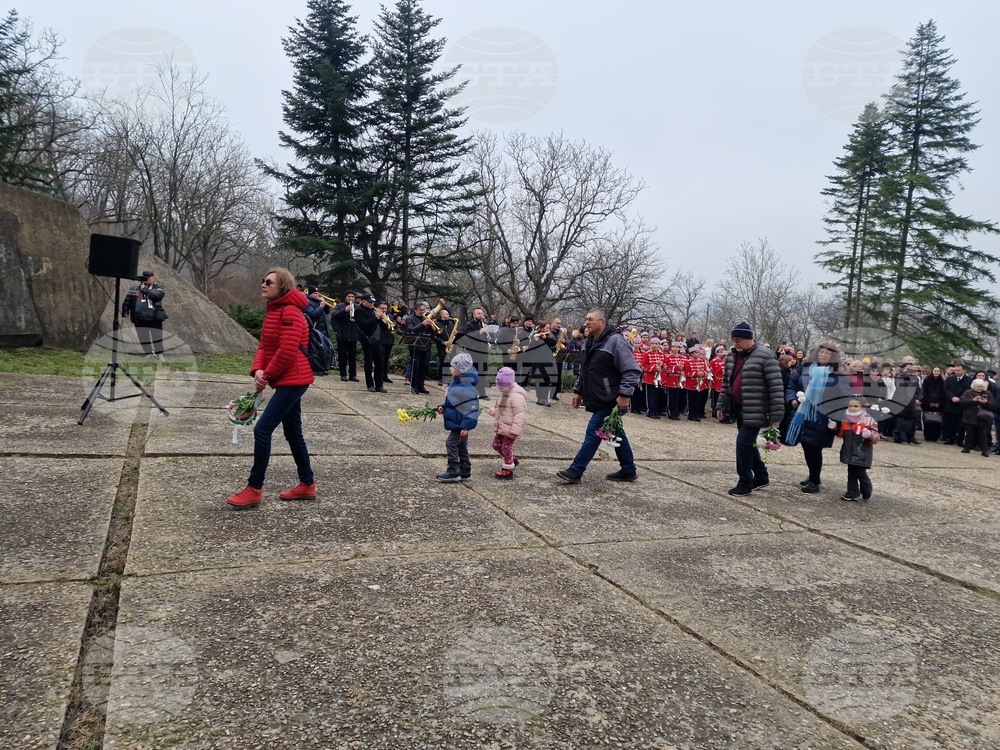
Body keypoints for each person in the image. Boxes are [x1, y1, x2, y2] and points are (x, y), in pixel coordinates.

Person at [226, 269, 315, 508]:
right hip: (285, 379)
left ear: (282, 286)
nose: (263, 285)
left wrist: (267, 375)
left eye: (269, 282)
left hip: (295, 378)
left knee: (262, 430)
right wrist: (257, 369)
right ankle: (307, 484)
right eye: (262, 280)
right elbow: (264, 346)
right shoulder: (274, 310)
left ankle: (254, 488)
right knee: (293, 433)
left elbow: (287, 350)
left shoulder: (291, 312)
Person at [557, 308, 641, 484]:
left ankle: (576, 470)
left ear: (602, 322)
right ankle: (628, 469)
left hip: (611, 398)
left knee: (594, 431)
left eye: (590, 319)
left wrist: (624, 395)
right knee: (615, 432)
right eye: (586, 319)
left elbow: (632, 371)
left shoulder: (616, 341)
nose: (586, 322)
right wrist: (578, 390)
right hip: (599, 396)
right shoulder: (589, 341)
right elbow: (585, 369)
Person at [716, 322, 785, 497]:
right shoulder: (732, 356)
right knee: (748, 444)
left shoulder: (765, 356)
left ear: (750, 339)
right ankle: (761, 476)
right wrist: (721, 405)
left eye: (738, 340)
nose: (735, 343)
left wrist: (777, 417)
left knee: (743, 444)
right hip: (738, 408)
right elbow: (726, 383)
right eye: (733, 340)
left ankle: (745, 482)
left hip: (757, 409)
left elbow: (776, 388)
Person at [785, 340, 850, 494]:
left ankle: (814, 481)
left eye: (827, 353)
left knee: (814, 447)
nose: (823, 354)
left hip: (822, 416)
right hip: (803, 413)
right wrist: (793, 399)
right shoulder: (806, 368)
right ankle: (814, 475)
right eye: (821, 352)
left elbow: (844, 397)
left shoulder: (837, 374)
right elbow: (792, 385)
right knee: (806, 446)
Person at [435, 352, 480, 482]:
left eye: (453, 366)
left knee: (451, 444)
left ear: (461, 370)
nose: (450, 368)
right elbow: (453, 401)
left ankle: (453, 469)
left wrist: (466, 426)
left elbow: (472, 408)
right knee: (461, 446)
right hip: (459, 422)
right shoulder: (457, 383)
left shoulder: (465, 387)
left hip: (460, 423)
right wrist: (443, 406)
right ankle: (465, 470)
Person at [830, 396, 881, 502]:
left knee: (860, 472)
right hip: (849, 451)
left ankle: (866, 490)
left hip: (862, 452)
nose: (852, 408)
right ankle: (852, 492)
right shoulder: (845, 419)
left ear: (863, 407)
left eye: (856, 406)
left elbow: (876, 438)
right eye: (850, 406)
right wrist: (834, 428)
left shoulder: (869, 420)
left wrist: (870, 435)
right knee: (851, 472)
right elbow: (841, 434)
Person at [488, 366, 527, 479]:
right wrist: (494, 410)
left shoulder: (516, 397)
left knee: (505, 448)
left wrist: (515, 430)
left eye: (501, 386)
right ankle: (511, 459)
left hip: (510, 429)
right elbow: (502, 409)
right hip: (502, 427)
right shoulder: (504, 393)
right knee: (496, 445)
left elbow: (520, 415)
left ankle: (508, 469)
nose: (499, 389)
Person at [122, 270, 167, 359]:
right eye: (144, 277)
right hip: (139, 317)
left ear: (152, 278)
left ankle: (159, 354)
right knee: (143, 336)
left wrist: (144, 289)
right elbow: (127, 301)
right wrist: (125, 312)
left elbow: (157, 296)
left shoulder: (158, 288)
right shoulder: (134, 288)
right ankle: (148, 353)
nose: (146, 279)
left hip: (154, 317)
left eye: (148, 277)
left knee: (157, 336)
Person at [354, 294, 385, 392]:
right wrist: (375, 318)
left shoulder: (373, 310)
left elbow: (379, 325)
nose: (372, 304)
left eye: (373, 302)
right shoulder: (359, 311)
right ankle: (370, 384)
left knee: (379, 363)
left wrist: (382, 319)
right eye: (370, 302)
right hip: (367, 339)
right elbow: (363, 324)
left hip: (377, 339)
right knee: (368, 362)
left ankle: (379, 385)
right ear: (363, 302)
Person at [460, 306, 491, 399]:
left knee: (482, 372)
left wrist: (488, 332)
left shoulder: (483, 324)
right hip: (473, 351)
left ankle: (482, 392)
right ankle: (470, 391)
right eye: (478, 313)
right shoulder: (469, 325)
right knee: (473, 372)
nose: (480, 315)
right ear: (474, 315)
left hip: (483, 351)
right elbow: (468, 337)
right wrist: (480, 332)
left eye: (482, 313)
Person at [959, 379, 996, 456]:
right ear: (973, 386)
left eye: (981, 387)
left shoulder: (988, 393)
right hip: (970, 416)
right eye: (978, 387)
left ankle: (984, 450)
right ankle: (967, 448)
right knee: (969, 433)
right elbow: (962, 402)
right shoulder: (968, 392)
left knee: (983, 435)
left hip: (983, 417)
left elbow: (993, 405)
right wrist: (973, 400)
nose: (979, 388)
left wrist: (986, 402)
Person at [404, 301, 435, 394]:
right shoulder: (410, 318)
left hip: (425, 345)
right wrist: (423, 324)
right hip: (415, 346)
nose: (422, 312)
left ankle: (421, 386)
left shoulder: (426, 318)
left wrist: (431, 327)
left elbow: (432, 333)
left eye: (423, 310)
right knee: (415, 367)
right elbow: (410, 329)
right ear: (415, 310)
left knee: (423, 367)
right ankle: (414, 386)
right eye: (420, 310)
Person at [331, 292, 360, 382]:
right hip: (342, 335)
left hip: (353, 335)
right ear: (345, 297)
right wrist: (345, 310)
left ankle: (352, 375)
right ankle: (343, 374)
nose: (350, 298)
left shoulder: (358, 307)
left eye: (352, 296)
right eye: (349, 296)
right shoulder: (340, 306)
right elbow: (334, 317)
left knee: (352, 356)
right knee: (342, 356)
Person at [942, 360, 973, 446]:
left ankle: (960, 441)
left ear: (964, 370)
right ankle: (950, 439)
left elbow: (968, 391)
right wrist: (952, 397)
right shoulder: (950, 379)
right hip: (951, 404)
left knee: (961, 425)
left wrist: (960, 398)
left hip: (962, 405)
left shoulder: (969, 380)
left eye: (958, 370)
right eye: (955, 370)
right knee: (950, 423)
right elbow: (946, 390)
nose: (956, 372)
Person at [920, 366, 946, 442]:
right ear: (932, 371)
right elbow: (925, 392)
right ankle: (927, 436)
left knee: (937, 421)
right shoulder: (927, 380)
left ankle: (935, 437)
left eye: (938, 371)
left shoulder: (943, 381)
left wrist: (939, 403)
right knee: (927, 421)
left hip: (939, 405)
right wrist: (930, 402)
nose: (936, 372)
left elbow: (943, 393)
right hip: (927, 403)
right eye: (935, 371)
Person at [376, 301, 396, 385]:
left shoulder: (390, 316)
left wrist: (391, 324)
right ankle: (379, 377)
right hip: (381, 340)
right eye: (382, 308)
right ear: (378, 309)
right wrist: (380, 318)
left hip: (389, 340)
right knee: (381, 359)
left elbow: (394, 326)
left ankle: (385, 376)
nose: (384, 310)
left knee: (386, 360)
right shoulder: (377, 317)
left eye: (385, 308)